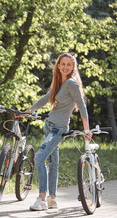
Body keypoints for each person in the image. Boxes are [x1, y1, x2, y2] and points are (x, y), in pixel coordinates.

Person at [25, 53, 92, 211]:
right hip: (49, 125)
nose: (65, 67)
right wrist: (28, 111)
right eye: (63, 64)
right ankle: (52, 199)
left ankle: (41, 199)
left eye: (69, 64)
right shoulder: (58, 82)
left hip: (58, 129)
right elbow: (46, 98)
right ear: (58, 65)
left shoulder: (71, 83)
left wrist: (87, 129)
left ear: (73, 67)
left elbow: (82, 106)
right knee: (53, 163)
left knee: (40, 158)